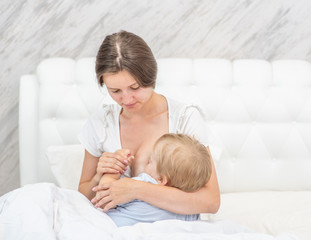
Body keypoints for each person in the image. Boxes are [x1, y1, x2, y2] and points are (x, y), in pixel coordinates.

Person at [78, 30, 220, 217]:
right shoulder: (101, 123)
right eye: (115, 91)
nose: (126, 99)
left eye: (135, 87)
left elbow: (210, 202)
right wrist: (99, 175)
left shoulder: (184, 118)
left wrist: (137, 189)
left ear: (151, 77)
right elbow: (82, 198)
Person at [103, 133, 212, 227]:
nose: (146, 163)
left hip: (117, 227)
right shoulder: (190, 211)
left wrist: (115, 167)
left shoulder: (145, 181)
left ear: (160, 180)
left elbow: (105, 196)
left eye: (150, 161)